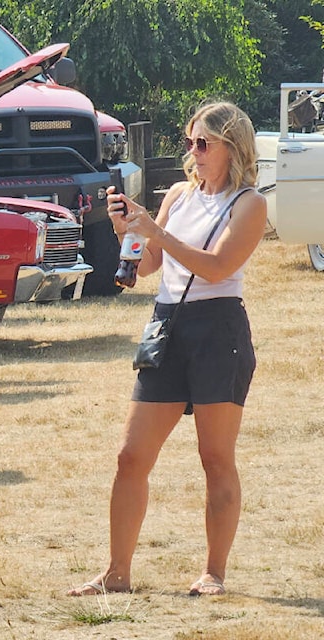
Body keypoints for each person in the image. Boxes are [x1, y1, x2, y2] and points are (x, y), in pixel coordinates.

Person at [68, 102, 266, 597]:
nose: (193, 153)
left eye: (204, 143)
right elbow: (152, 264)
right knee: (130, 456)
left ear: (231, 147)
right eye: (190, 142)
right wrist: (128, 230)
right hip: (167, 325)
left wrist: (156, 232)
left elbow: (218, 267)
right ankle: (117, 574)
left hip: (219, 329)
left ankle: (213, 573)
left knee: (215, 457)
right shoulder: (179, 194)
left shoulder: (248, 203)